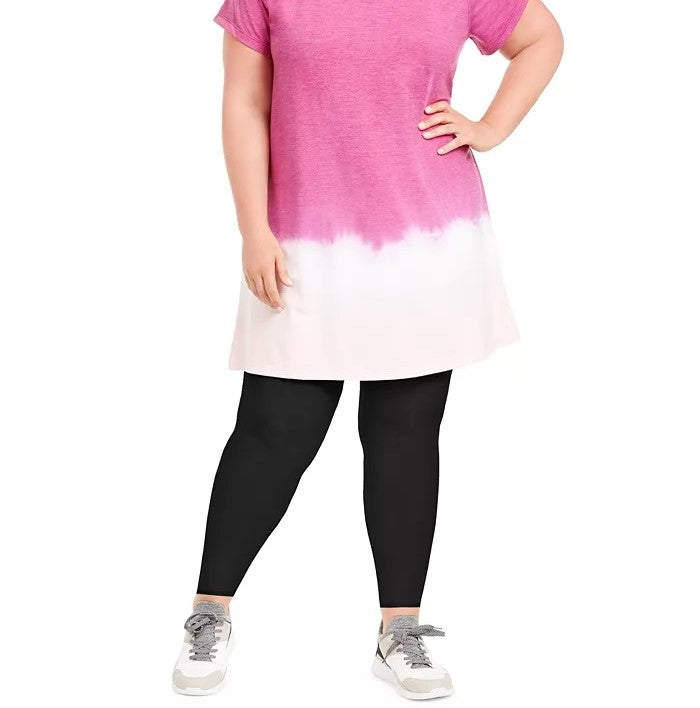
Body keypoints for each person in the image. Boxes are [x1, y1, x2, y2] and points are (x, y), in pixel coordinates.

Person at [172, 0, 563, 699]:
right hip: (304, 239)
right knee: (272, 434)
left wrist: (490, 126)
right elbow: (244, 102)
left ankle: (399, 629)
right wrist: (253, 230)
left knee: (405, 435)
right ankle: (210, 611)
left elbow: (540, 38)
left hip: (425, 238)